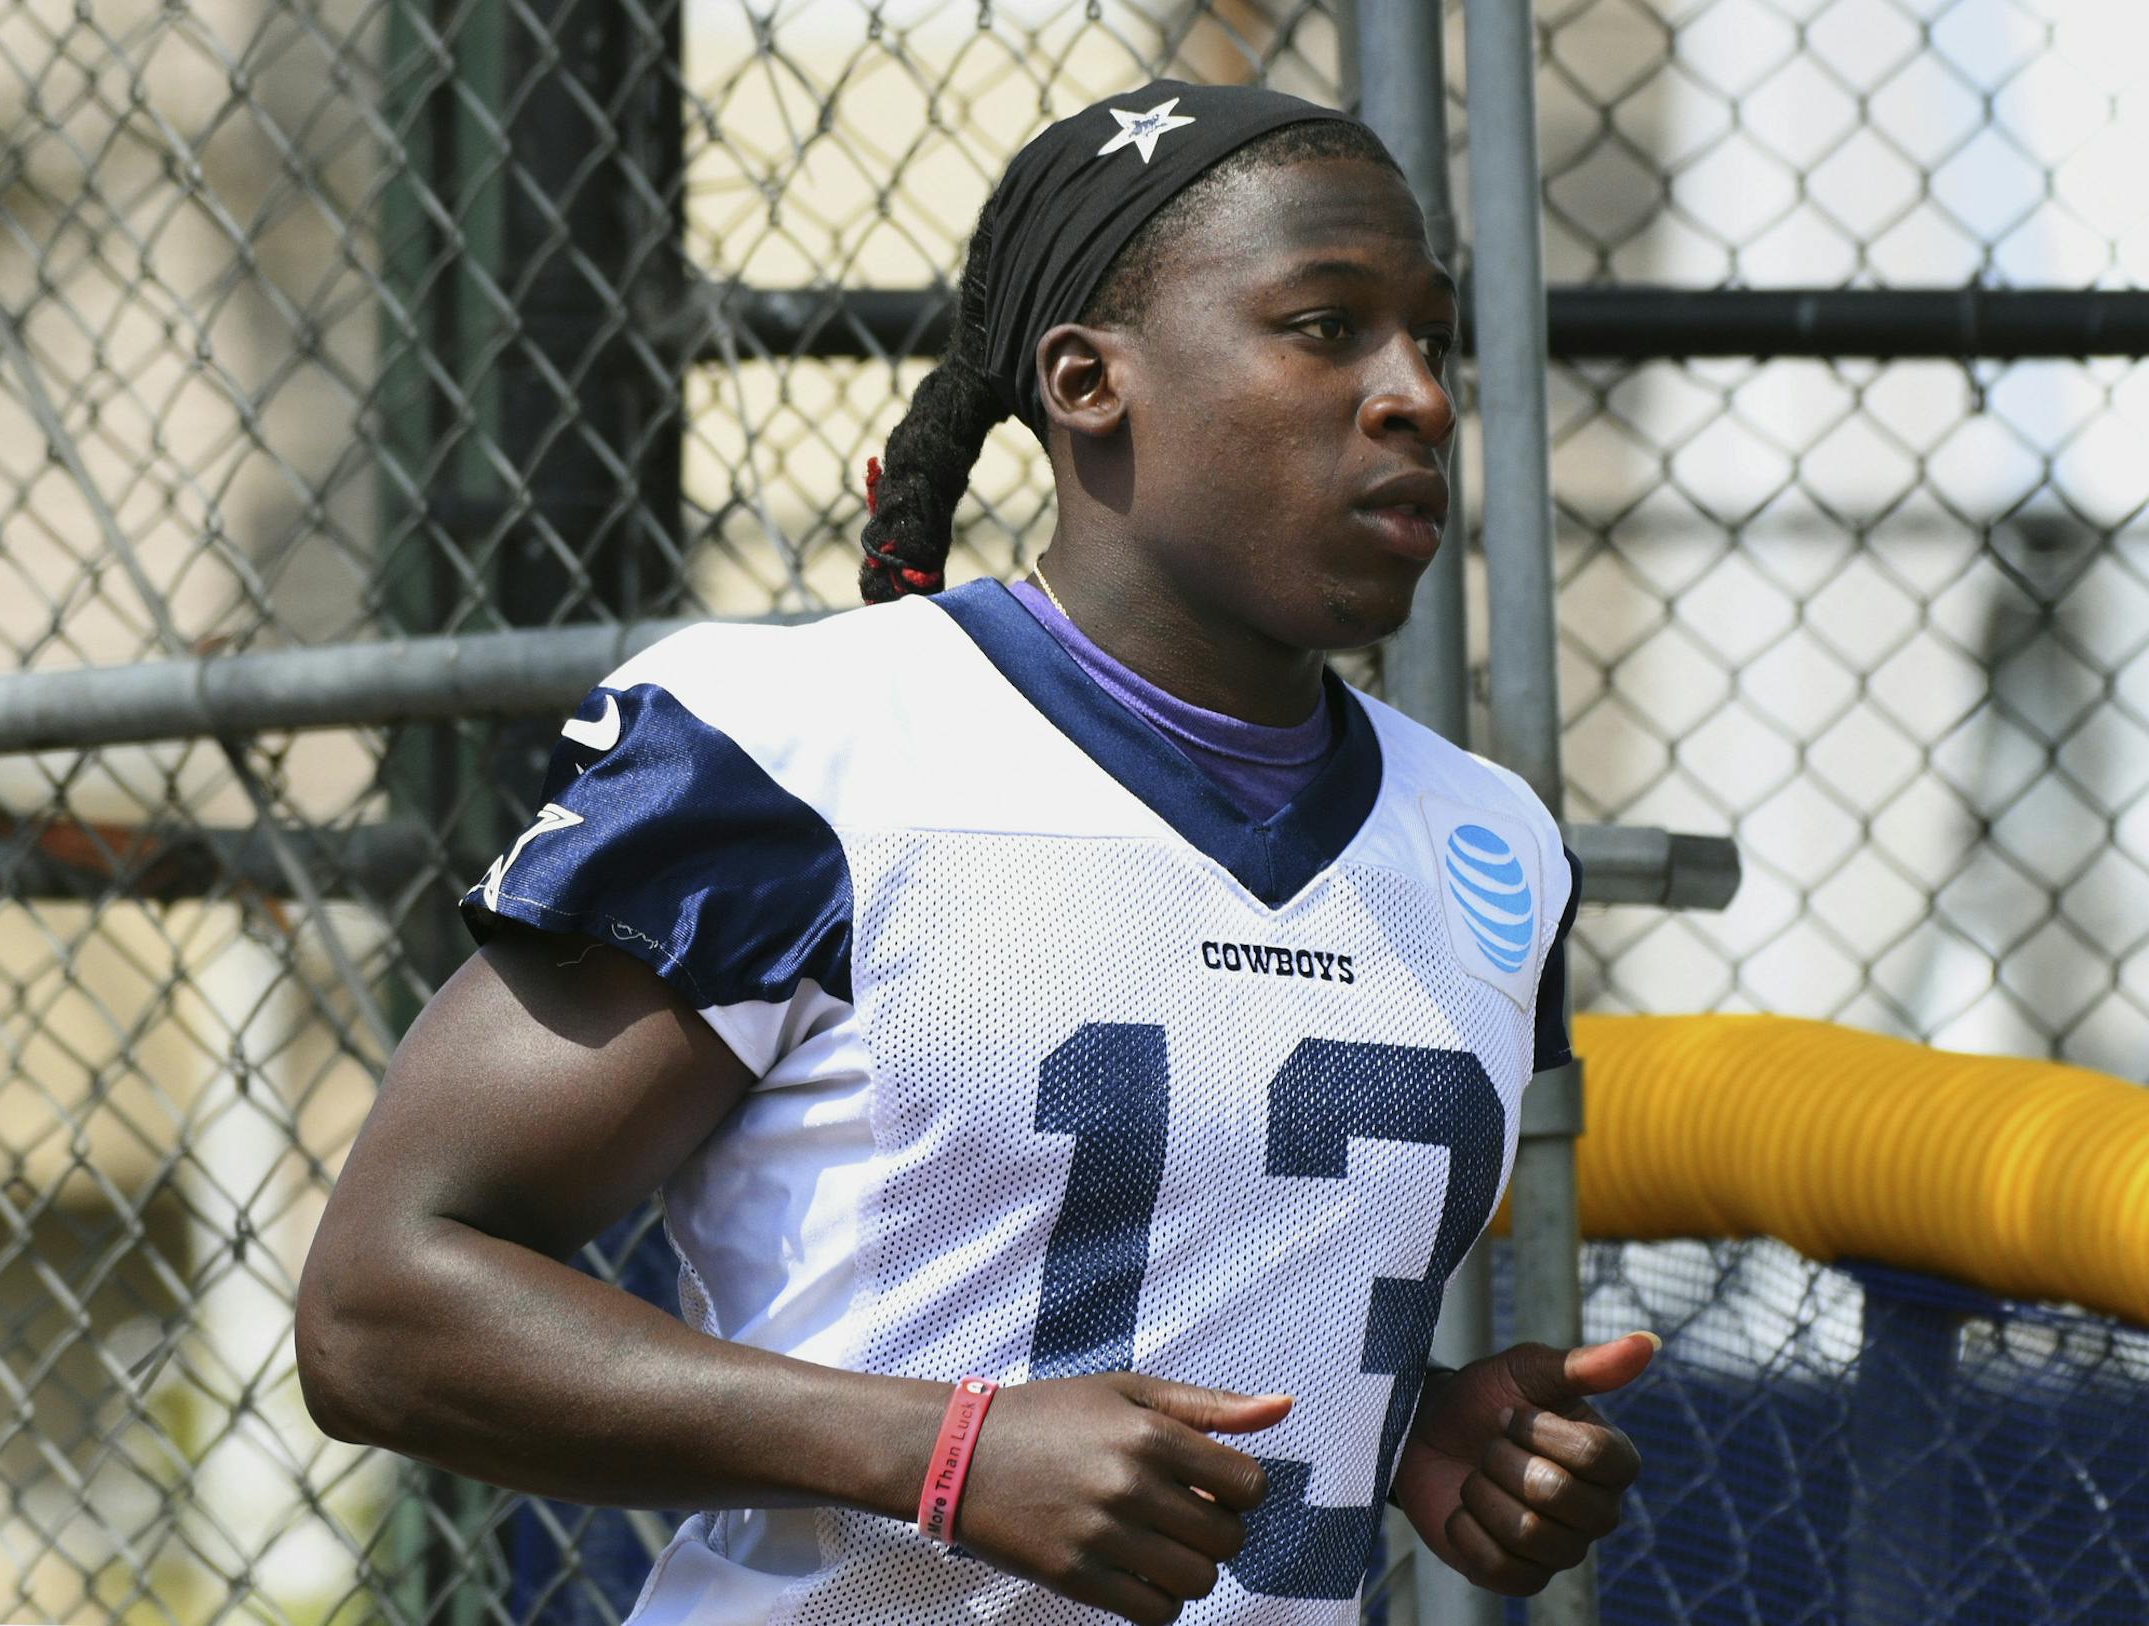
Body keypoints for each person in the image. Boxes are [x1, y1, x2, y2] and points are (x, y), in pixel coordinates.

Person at [296, 79, 1655, 1626]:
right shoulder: (805, 750)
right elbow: (381, 1306)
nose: (1415, 392)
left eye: (1432, 335)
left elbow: (1160, 1254)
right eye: (1325, 327)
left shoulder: (1489, 841)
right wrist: (940, 1453)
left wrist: (1405, 1420)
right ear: (1089, 382)